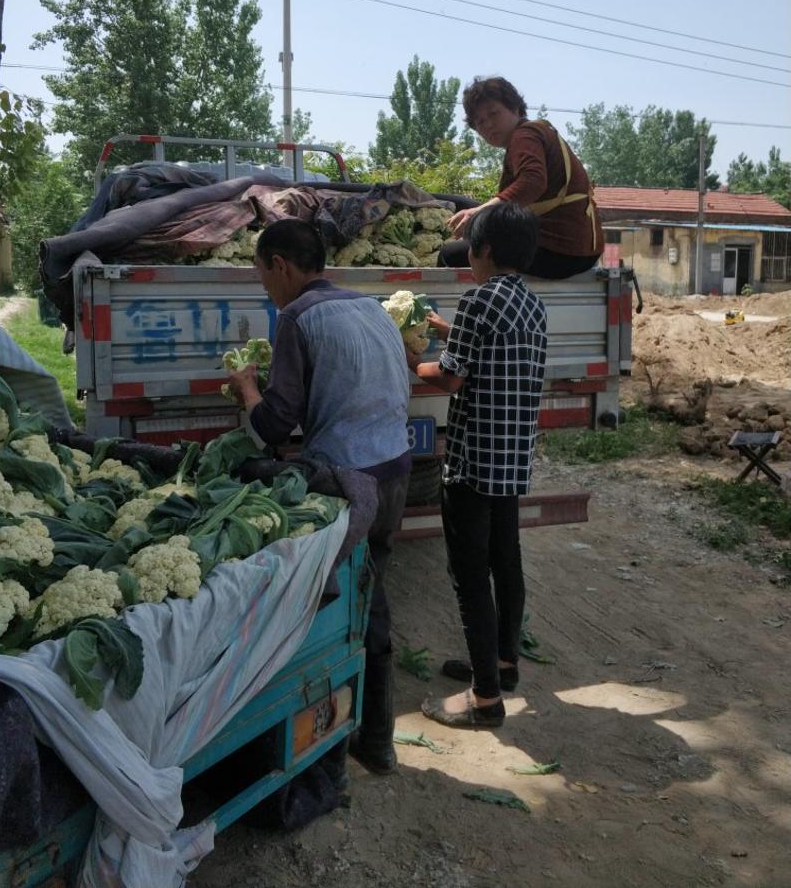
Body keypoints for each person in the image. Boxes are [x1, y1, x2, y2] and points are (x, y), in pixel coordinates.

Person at [227, 218, 411, 775]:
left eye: (262, 275)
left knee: (327, 610)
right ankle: (373, 736)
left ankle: (326, 747)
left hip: (349, 485)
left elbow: (277, 425)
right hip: (396, 471)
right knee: (370, 598)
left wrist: (247, 388)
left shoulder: (296, 317)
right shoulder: (369, 306)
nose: (264, 287)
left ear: (280, 265)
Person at [407, 202, 547, 728]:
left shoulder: (479, 299)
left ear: (482, 250)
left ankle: (485, 698)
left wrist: (406, 356)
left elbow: (449, 378)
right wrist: (447, 329)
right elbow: (487, 351)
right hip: (511, 459)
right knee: (504, 561)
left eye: (471, 246)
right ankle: (503, 662)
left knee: (469, 575)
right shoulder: (528, 303)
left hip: (471, 464)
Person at [439, 76, 603, 279]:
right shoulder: (535, 131)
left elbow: (533, 181)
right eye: (480, 121)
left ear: (515, 109)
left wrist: (479, 212)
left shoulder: (524, 135)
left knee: (449, 254)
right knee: (462, 204)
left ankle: (479, 307)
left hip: (561, 251)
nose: (488, 124)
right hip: (581, 251)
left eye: (494, 113)